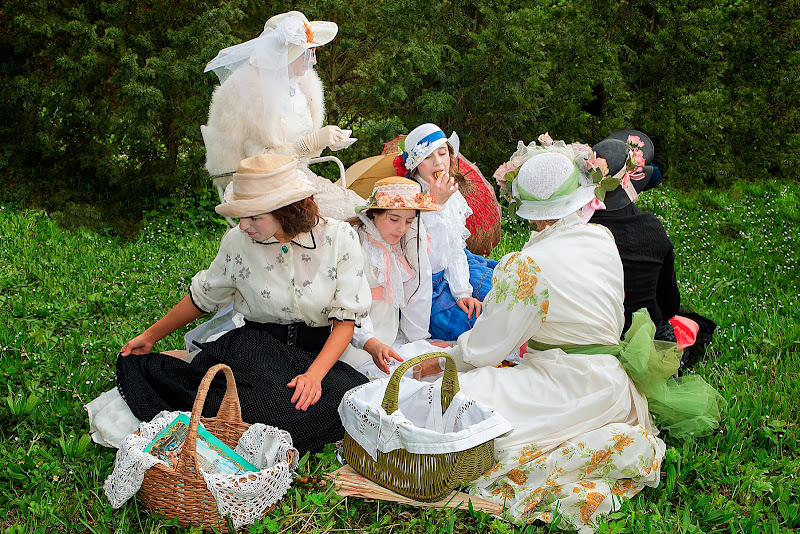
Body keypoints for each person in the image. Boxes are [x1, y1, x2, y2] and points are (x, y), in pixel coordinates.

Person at [405, 138, 724, 531]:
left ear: (531, 212)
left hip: (563, 385)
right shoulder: (601, 239)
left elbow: (485, 349)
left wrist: (442, 360)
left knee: (450, 400)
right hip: (614, 390)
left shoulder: (526, 264)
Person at [104, 154, 371, 455]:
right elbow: (203, 296)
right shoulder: (237, 242)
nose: (243, 226)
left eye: (254, 216)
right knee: (258, 412)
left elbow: (345, 321)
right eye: (241, 215)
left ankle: (203, 375)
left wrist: (313, 376)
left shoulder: (339, 238)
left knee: (352, 401)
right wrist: (149, 336)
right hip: (254, 350)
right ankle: (194, 369)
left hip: (315, 355)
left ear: (286, 210)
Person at [201, 10, 364, 221]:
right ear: (287, 53)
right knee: (354, 218)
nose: (313, 61)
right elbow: (259, 163)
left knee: (366, 210)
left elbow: (303, 155)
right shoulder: (249, 93)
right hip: (263, 189)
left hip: (300, 180)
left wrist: (324, 141)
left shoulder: (302, 86)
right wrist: (308, 142)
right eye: (308, 53)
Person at [588, 131, 715, 365]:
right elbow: (670, 305)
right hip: (647, 340)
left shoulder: (579, 230)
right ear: (632, 180)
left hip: (592, 338)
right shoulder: (653, 228)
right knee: (687, 322)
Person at [393, 123, 497, 341]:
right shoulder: (407, 200)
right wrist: (435, 206)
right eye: (428, 157)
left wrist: (463, 292)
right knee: (480, 325)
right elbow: (424, 262)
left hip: (457, 265)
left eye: (442, 153)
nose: (439, 162)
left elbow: (455, 248)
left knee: (504, 292)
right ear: (415, 166)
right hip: (427, 285)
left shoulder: (452, 193)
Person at [339, 177, 442, 377]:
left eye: (409, 221)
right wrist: (370, 341)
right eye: (394, 219)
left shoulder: (401, 243)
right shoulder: (355, 241)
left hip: (389, 336)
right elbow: (350, 300)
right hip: (357, 344)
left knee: (435, 365)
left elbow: (418, 290)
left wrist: (418, 339)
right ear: (374, 213)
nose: (401, 228)